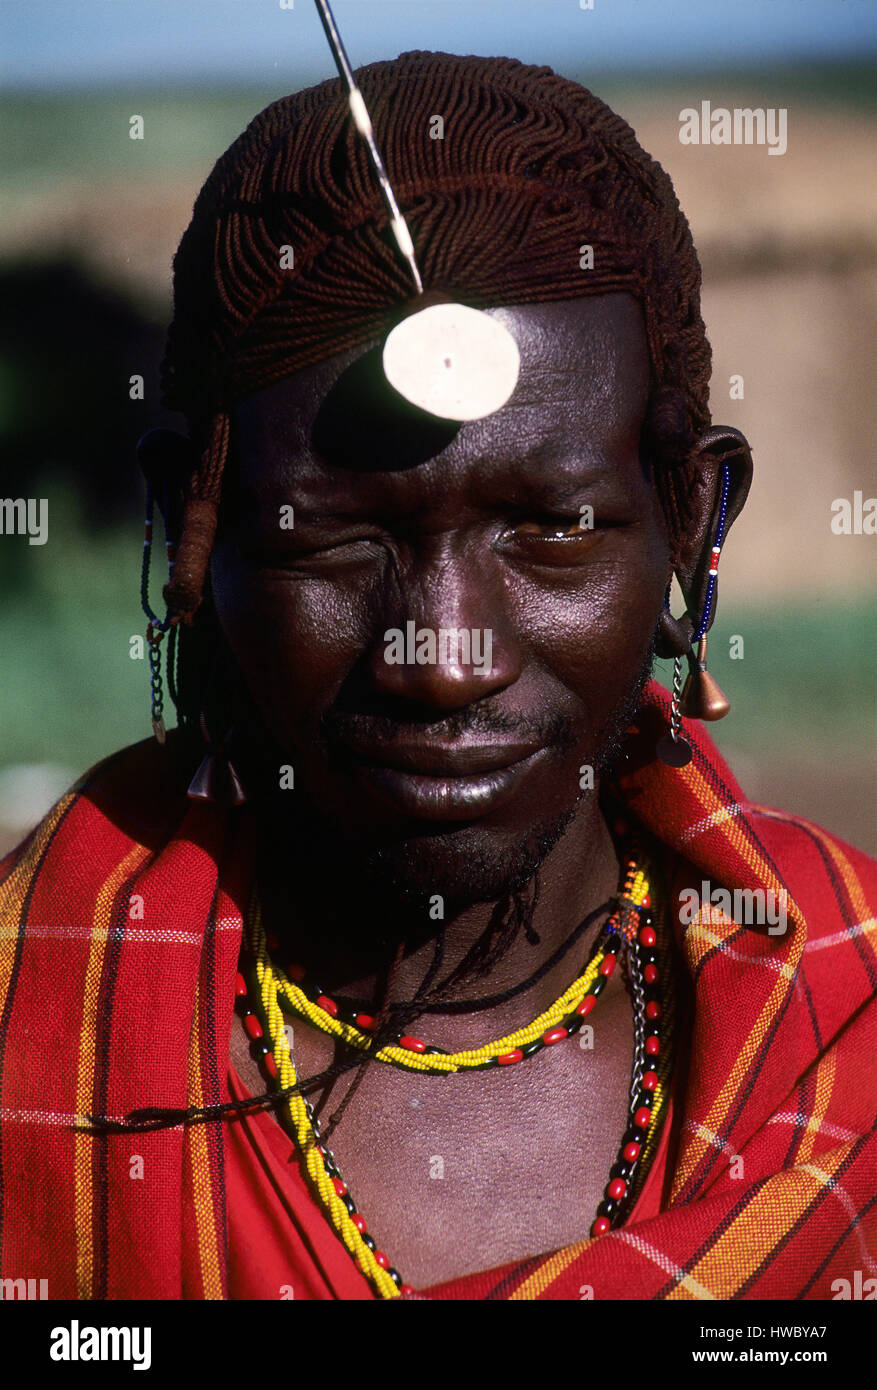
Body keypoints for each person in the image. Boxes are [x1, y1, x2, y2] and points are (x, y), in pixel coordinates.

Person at [1, 52, 874, 1302]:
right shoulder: (27, 1019)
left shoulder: (848, 1014)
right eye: (335, 537)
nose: (445, 655)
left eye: (553, 528)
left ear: (690, 517)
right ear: (192, 530)